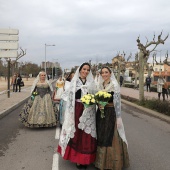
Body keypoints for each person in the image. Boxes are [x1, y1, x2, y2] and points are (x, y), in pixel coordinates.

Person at [57, 63, 97, 169]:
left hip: (89, 111)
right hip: (77, 109)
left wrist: (91, 103)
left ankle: (86, 158)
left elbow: (94, 95)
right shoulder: (75, 82)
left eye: (88, 70)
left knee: (86, 134)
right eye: (84, 69)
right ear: (80, 70)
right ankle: (78, 159)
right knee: (77, 134)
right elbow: (68, 96)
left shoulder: (91, 82)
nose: (86, 71)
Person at [95, 66, 130, 170]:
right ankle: (101, 162)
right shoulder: (100, 85)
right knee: (101, 135)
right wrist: (98, 104)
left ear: (110, 73)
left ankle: (112, 164)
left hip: (111, 112)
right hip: (101, 112)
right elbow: (97, 98)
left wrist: (118, 117)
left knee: (111, 136)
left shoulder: (114, 85)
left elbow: (118, 103)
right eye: (103, 73)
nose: (104, 74)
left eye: (106, 72)